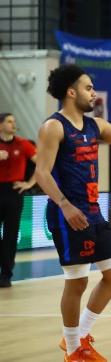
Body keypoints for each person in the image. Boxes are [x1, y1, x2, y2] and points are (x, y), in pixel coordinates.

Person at [31, 65, 111, 362]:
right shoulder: (54, 127)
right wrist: (64, 205)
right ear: (71, 92)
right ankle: (73, 351)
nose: (93, 93)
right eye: (88, 88)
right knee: (77, 282)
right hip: (67, 214)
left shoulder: (96, 125)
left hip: (93, 212)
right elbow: (42, 173)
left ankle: (79, 336)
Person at [0, 111, 39, 287]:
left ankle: (6, 275)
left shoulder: (23, 144)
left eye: (14, 121)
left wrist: (29, 183)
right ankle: (4, 261)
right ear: (0, 125)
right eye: (9, 121)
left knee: (11, 234)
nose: (14, 124)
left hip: (14, 192)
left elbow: (42, 164)